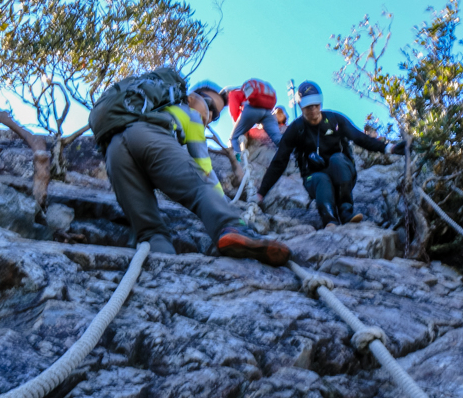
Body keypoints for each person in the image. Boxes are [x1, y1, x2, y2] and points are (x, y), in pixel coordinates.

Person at [103, 77, 291, 266]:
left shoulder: (154, 109)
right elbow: (204, 170)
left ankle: (161, 265)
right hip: (149, 137)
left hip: (114, 151)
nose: (209, 116)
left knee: (149, 231)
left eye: (214, 116)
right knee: (200, 187)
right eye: (210, 107)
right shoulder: (190, 114)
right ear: (191, 98)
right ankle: (231, 227)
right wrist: (225, 205)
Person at [255, 81, 405, 229]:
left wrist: (389, 148)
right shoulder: (296, 129)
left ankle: (346, 212)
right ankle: (329, 220)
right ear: (301, 106)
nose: (313, 108)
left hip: (342, 171)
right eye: (308, 105)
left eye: (316, 104)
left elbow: (360, 138)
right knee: (320, 178)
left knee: (337, 159)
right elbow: (279, 161)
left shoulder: (334, 120)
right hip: (313, 177)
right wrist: (261, 193)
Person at [224, 78, 283, 160]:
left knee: (234, 138)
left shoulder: (233, 93)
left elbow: (234, 111)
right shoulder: (248, 91)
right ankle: (293, 151)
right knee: (277, 138)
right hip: (268, 111)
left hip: (252, 109)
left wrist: (240, 127)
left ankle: (238, 161)